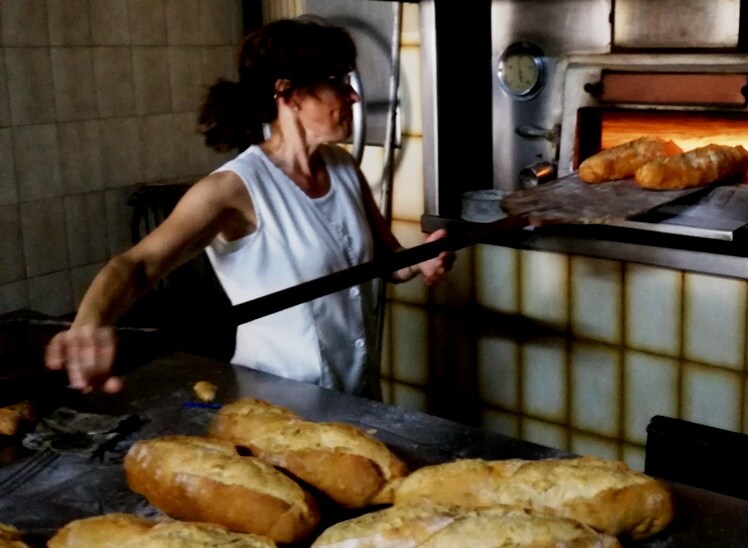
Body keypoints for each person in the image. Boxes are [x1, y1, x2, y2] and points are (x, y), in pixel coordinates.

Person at [44, 18, 454, 396]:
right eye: (338, 82)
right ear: (288, 93)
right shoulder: (234, 189)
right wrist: (87, 325)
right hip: (277, 404)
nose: (353, 95)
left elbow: (389, 262)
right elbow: (138, 265)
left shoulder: (344, 167)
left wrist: (423, 258)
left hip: (358, 394)